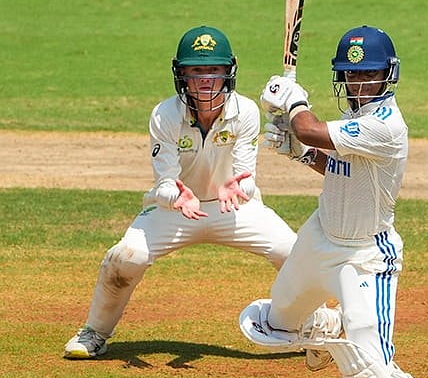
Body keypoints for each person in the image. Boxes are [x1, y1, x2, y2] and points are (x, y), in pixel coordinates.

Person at [239, 25, 428, 378]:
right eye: (351, 75)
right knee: (273, 326)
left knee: (370, 374)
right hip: (318, 238)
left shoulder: (387, 126)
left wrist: (295, 104)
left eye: (368, 74)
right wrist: (301, 153)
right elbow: (337, 166)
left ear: (387, 75)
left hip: (364, 257)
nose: (359, 82)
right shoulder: (355, 119)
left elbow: (311, 129)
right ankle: (327, 324)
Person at [63, 25, 298, 359]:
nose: (205, 79)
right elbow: (163, 183)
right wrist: (176, 195)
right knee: (127, 257)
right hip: (175, 209)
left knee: (293, 252)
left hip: (232, 208)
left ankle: (310, 326)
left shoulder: (245, 112)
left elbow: (246, 178)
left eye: (214, 70)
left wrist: (240, 188)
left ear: (228, 73)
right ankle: (95, 332)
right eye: (197, 70)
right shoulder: (165, 115)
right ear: (182, 74)